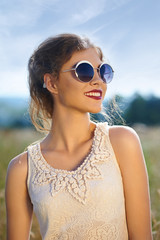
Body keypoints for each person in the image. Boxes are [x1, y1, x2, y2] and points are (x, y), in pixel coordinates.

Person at [5, 33, 153, 240]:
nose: (98, 81)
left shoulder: (122, 142)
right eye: (83, 71)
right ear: (52, 83)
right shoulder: (22, 168)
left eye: (104, 71)